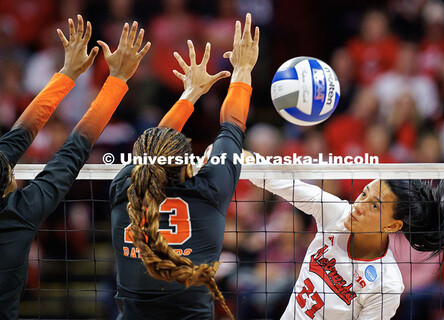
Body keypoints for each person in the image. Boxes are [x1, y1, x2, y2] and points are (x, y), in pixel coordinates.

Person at [109, 13, 259, 320]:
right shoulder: (210, 188)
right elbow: (232, 126)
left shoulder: (124, 185)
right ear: (189, 164)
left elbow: (154, 150)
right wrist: (242, 68)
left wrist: (190, 93)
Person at [0, 15, 150, 318]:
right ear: (9, 184)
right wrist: (116, 79)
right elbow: (73, 150)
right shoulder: (17, 217)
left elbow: (19, 139)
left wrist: (68, 73)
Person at [245, 155, 444, 319]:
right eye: (363, 193)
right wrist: (231, 152)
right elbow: (274, 179)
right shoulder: (336, 214)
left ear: (392, 225)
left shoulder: (386, 284)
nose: (359, 206)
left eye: (374, 205)